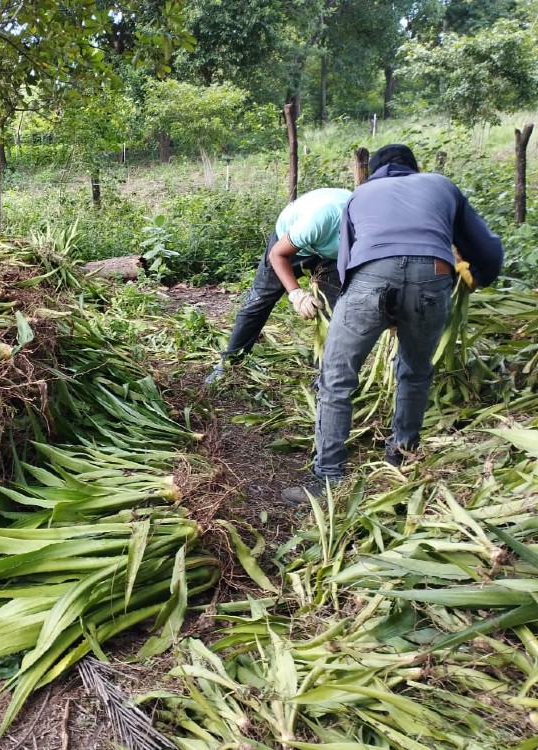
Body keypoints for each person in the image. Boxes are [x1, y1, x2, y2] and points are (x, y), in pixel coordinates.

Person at [281, 144, 504, 504]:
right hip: (433, 275)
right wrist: (478, 276)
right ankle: (403, 456)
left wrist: (372, 308)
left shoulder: (360, 193)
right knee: (415, 370)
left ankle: (328, 480)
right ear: (415, 169)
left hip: (370, 277)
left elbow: (346, 263)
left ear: (377, 172)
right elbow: (489, 251)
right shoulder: (442, 186)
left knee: (337, 376)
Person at [205, 187, 352, 384]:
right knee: (260, 299)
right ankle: (229, 362)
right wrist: (296, 293)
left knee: (334, 309)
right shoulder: (320, 219)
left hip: (329, 256)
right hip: (288, 246)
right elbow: (277, 254)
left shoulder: (372, 234)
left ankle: (329, 375)